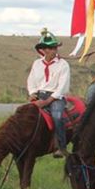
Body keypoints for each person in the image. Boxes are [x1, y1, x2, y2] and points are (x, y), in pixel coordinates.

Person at [26, 29, 71, 158]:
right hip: (39, 95)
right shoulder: (37, 64)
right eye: (48, 48)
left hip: (56, 97)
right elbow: (31, 80)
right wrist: (33, 93)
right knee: (24, 115)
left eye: (53, 48)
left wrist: (46, 101)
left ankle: (61, 147)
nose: (51, 50)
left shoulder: (63, 65)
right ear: (43, 50)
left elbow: (62, 87)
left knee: (57, 116)